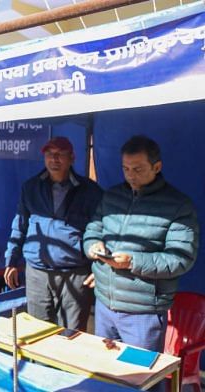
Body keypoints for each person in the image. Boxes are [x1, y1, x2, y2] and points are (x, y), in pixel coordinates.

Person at [84, 135, 199, 352]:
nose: (130, 175)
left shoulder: (178, 206)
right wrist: (92, 245)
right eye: (125, 169)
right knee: (105, 376)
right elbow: (93, 229)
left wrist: (133, 261)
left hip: (143, 313)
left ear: (157, 166)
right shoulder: (112, 196)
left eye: (138, 169)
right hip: (104, 305)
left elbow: (181, 259)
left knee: (141, 379)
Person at [3, 137, 102, 331]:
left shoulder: (90, 191)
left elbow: (100, 233)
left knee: (71, 336)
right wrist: (11, 261)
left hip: (75, 273)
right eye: (49, 154)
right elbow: (19, 225)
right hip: (37, 273)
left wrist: (97, 269)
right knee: (37, 332)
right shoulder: (31, 187)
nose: (54, 159)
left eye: (60, 155)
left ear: (72, 158)